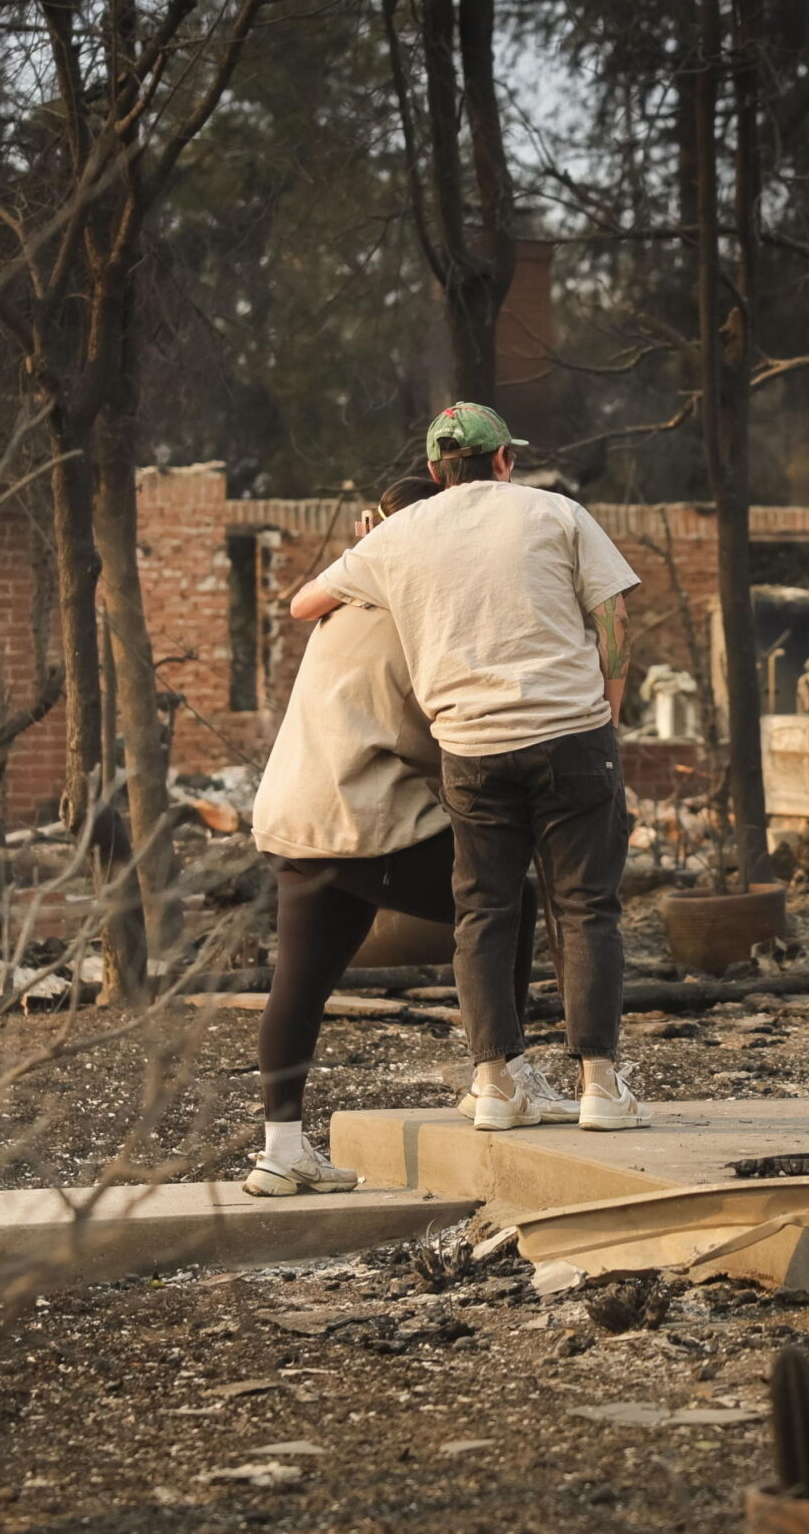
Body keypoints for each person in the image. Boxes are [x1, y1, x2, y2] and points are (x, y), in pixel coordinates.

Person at [290, 402, 647, 1132]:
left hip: (474, 749)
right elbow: (612, 616)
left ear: (433, 471)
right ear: (505, 460)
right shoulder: (556, 512)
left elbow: (302, 604)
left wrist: (372, 557)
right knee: (585, 908)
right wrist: (609, 710)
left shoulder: (402, 535)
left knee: (485, 910)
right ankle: (600, 1088)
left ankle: (493, 1085)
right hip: (572, 735)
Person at [241, 475, 565, 1197]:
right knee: (504, 899)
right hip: (364, 814)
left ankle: (282, 1150)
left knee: (301, 979)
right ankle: (500, 1077)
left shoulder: (351, 597)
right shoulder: (421, 606)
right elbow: (449, 723)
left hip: (298, 814)